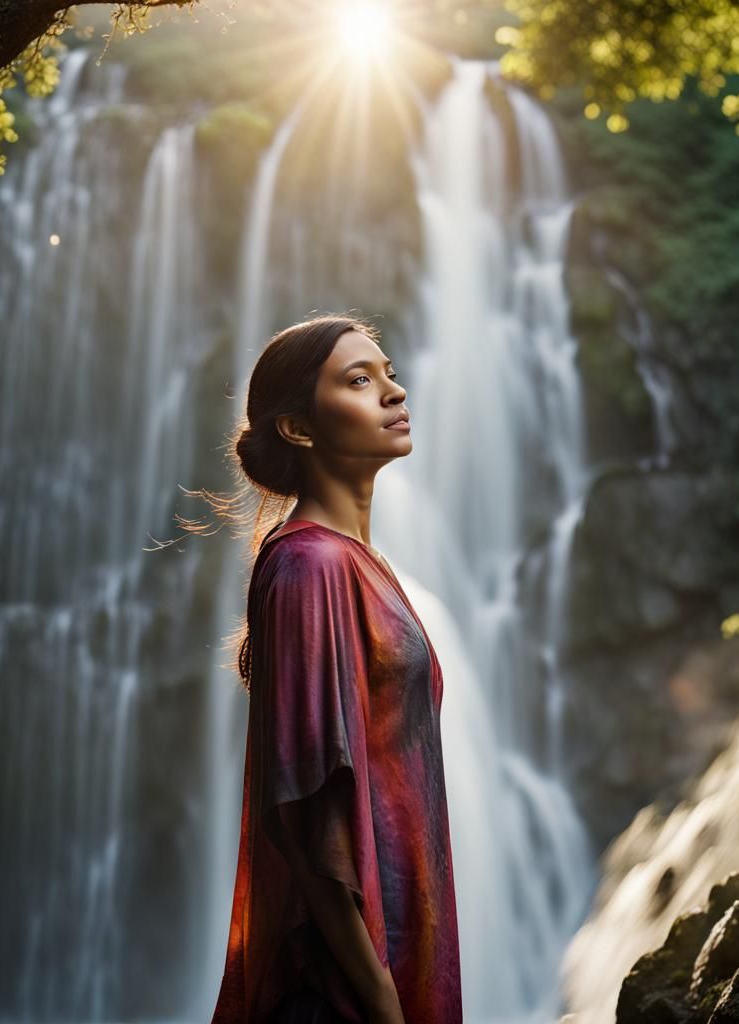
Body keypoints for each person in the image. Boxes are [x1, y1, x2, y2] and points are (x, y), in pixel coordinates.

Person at [197, 314, 462, 1023]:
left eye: (390, 374)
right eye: (358, 380)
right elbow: (306, 804)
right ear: (299, 428)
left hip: (389, 949)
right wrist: (378, 994)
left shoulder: (355, 563)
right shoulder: (311, 566)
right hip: (342, 987)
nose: (393, 394)